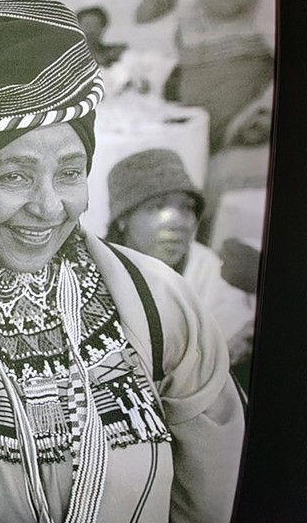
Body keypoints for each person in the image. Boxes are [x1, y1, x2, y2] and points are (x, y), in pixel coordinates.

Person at [0, 0, 245, 523]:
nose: (48, 207)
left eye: (70, 172)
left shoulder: (159, 306)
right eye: (13, 175)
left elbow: (214, 497)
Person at [105, 149, 255, 380]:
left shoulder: (207, 267)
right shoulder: (95, 275)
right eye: (156, 207)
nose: (177, 222)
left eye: (186, 207)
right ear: (123, 219)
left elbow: (231, 334)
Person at [135, 0, 274, 153]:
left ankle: (227, 185)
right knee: (197, 137)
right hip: (195, 73)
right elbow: (143, 16)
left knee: (225, 136)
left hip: (237, 68)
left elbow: (224, 9)